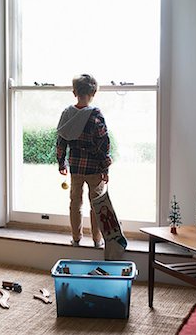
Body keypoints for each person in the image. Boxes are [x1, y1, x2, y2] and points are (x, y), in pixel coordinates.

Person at [56, 74, 127, 258]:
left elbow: (61, 140)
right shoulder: (95, 115)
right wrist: (105, 168)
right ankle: (97, 239)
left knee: (75, 203)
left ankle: (76, 237)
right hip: (95, 169)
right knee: (98, 204)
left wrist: (61, 161)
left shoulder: (67, 114)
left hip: (76, 168)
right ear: (93, 92)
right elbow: (103, 144)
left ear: (74, 92)